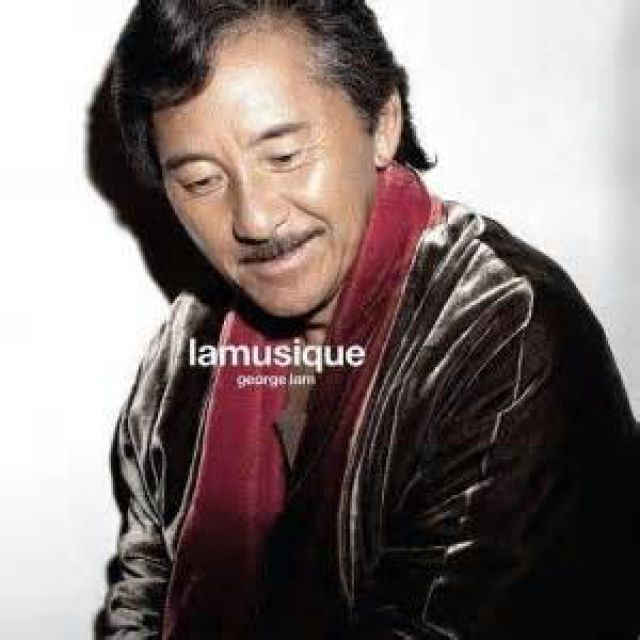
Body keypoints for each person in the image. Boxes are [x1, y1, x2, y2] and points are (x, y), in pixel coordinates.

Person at [99, 1, 639, 638]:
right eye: (200, 181)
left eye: (284, 156)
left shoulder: (507, 333)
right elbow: (143, 600)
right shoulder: (190, 349)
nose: (255, 220)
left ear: (383, 122)